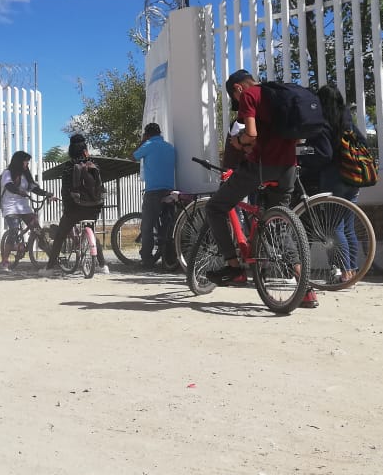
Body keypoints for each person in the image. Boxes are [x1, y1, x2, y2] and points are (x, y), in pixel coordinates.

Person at [204, 70, 319, 308]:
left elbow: (252, 134)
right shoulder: (279, 95)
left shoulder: (250, 95)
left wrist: (239, 142)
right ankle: (305, 290)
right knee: (280, 223)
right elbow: (296, 139)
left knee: (216, 207)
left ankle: (234, 267)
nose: (238, 103)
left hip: (261, 166)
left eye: (235, 100)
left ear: (238, 88)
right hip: (288, 166)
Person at [299, 83, 368, 282]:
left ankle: (345, 273)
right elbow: (363, 142)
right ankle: (353, 271)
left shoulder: (322, 121)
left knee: (333, 226)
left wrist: (305, 162)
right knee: (348, 226)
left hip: (333, 177)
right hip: (353, 177)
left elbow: (323, 154)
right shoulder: (347, 119)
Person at [44, 134, 110, 274]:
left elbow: (65, 190)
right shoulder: (94, 164)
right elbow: (99, 187)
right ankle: (103, 266)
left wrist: (67, 208)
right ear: (85, 149)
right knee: (90, 229)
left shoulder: (69, 166)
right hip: (94, 207)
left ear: (71, 150)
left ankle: (49, 268)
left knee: (61, 235)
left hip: (74, 208)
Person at [131, 122, 178, 268]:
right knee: (168, 225)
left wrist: (143, 141)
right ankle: (168, 257)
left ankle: (147, 258)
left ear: (147, 134)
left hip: (153, 191)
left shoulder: (148, 145)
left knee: (147, 226)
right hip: (170, 191)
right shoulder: (170, 147)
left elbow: (133, 157)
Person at [0, 150, 54, 270]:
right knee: (13, 231)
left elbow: (34, 188)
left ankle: (52, 260)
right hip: (10, 206)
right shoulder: (7, 173)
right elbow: (9, 186)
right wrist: (19, 191)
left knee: (38, 230)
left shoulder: (26, 175)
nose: (27, 164)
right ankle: (5, 261)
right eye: (25, 162)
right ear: (19, 162)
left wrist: (47, 194)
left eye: (28, 162)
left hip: (23, 206)